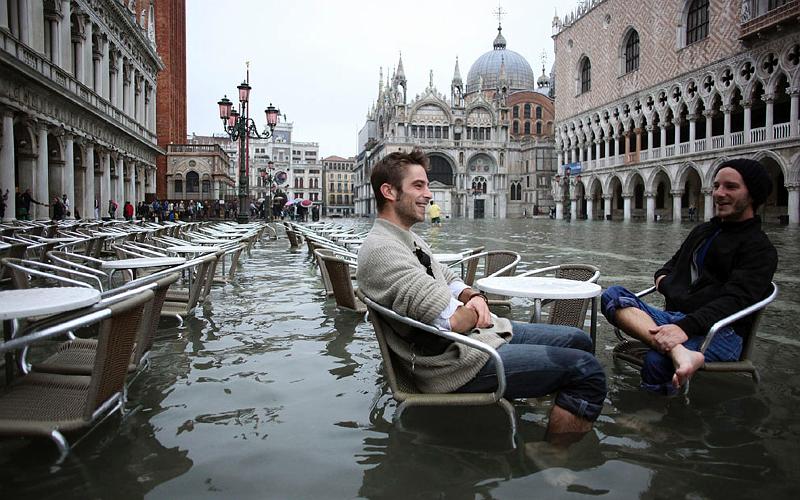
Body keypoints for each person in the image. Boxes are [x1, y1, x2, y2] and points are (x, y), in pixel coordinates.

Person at [356, 150, 606, 439]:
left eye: (427, 185)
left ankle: (556, 399)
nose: (429, 194)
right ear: (389, 192)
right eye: (418, 186)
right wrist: (476, 311)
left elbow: (446, 276)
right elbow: (453, 321)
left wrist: (472, 295)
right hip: (455, 364)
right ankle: (554, 454)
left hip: (475, 340)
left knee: (578, 339)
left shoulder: (406, 238)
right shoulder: (383, 250)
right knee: (587, 370)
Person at [602, 159, 778, 394]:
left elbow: (734, 301)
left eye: (731, 187)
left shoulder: (760, 249)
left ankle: (658, 412)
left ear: (753, 195)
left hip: (721, 332)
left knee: (657, 360)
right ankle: (679, 352)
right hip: (676, 319)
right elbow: (666, 270)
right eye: (716, 186)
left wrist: (684, 325)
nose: (719, 193)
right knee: (612, 295)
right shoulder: (702, 232)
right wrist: (675, 294)